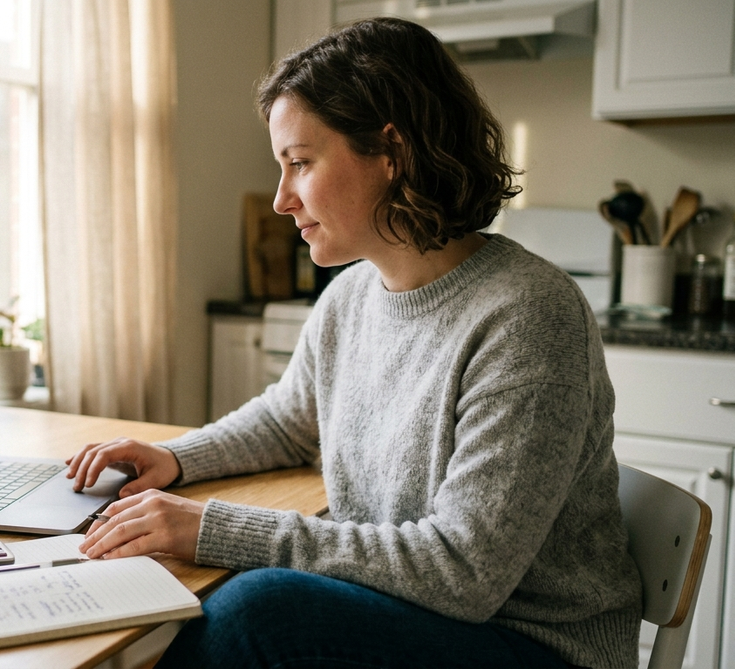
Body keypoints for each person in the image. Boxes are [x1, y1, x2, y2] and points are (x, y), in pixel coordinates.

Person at [65, 17, 642, 669]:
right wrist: (174, 457)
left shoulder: (527, 313)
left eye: (301, 163)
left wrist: (214, 529)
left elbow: (464, 571)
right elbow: (288, 423)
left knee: (257, 611)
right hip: (415, 611)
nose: (283, 199)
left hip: (532, 642)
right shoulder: (351, 296)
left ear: (391, 152)